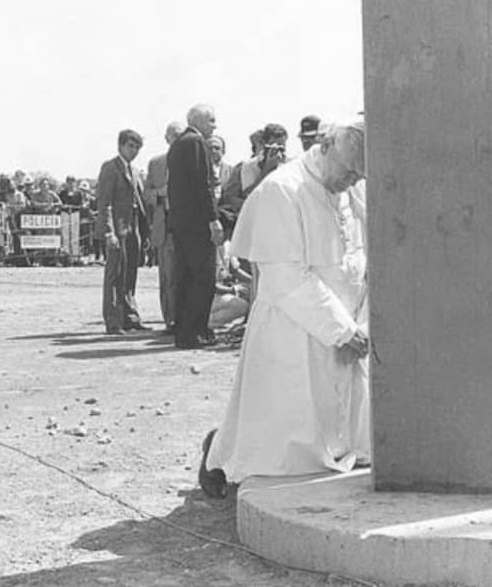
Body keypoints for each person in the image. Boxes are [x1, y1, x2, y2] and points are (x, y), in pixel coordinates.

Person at [199, 118, 370, 497]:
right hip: (295, 324)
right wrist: (341, 330)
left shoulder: (351, 188)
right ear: (325, 147)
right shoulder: (281, 190)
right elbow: (285, 276)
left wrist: (359, 324)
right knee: (282, 441)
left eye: (359, 175)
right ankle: (218, 455)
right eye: (348, 172)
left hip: (347, 322)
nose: (352, 181)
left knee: (336, 430)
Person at [168, 104, 224, 349]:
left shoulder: (178, 144)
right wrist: (213, 219)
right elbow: (202, 185)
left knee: (186, 277)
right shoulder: (196, 142)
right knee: (203, 278)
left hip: (181, 223)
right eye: (211, 120)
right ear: (198, 121)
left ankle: (184, 330)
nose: (214, 126)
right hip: (197, 224)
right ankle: (195, 331)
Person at [97, 129, 150, 335]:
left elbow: (140, 203)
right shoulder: (111, 168)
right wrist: (109, 231)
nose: (134, 151)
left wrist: (144, 232)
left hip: (133, 227)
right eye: (130, 146)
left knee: (130, 273)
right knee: (115, 274)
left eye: (137, 147)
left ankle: (130, 317)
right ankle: (113, 320)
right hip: (118, 228)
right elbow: (105, 203)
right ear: (120, 146)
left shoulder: (134, 171)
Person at [145, 121, 185, 334]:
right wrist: (161, 192)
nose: (176, 139)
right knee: (168, 277)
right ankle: (170, 320)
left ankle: (185, 319)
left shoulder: (192, 161)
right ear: (166, 138)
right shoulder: (156, 163)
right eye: (173, 135)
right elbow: (146, 195)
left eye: (180, 135)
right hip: (165, 227)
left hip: (187, 227)